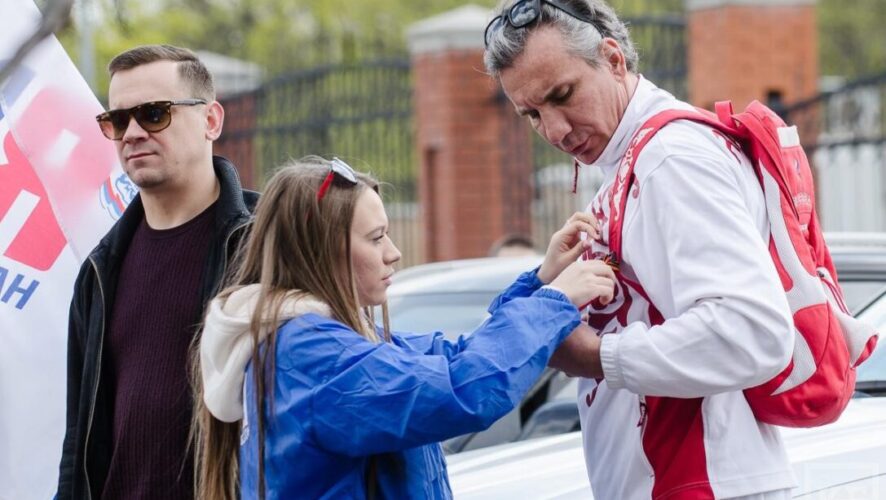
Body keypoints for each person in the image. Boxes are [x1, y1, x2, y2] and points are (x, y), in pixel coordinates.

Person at [484, 1, 796, 499]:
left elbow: (752, 330)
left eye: (562, 95)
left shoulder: (671, 158)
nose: (556, 131)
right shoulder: (634, 158)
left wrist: (596, 355)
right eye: (532, 115)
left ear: (612, 59)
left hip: (700, 481)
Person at [194, 156, 616, 499]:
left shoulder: (327, 339)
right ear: (321, 249)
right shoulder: (311, 356)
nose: (394, 253)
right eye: (376, 238)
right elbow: (462, 391)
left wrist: (540, 281)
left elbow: (455, 357)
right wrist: (554, 303)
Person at [57, 45, 258, 500]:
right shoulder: (98, 271)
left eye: (153, 114)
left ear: (211, 121)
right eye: (117, 120)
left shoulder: (268, 239)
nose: (131, 133)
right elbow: (79, 440)